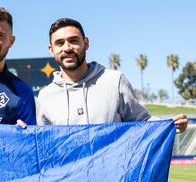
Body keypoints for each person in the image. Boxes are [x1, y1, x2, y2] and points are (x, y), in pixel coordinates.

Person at [37, 18, 188, 133]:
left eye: (73, 41)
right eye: (60, 43)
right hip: (69, 175)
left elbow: (142, 121)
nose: (67, 48)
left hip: (112, 175)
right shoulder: (45, 96)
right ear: (51, 49)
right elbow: (43, 144)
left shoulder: (114, 81)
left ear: (86, 43)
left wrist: (169, 124)